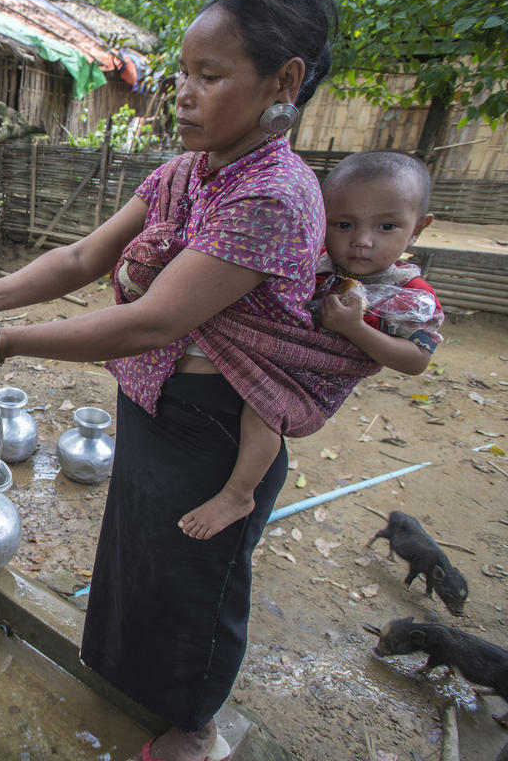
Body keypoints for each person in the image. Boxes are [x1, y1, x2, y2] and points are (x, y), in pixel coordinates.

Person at [0, 0, 379, 761]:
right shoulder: (182, 173)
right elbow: (78, 256)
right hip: (153, 403)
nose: (183, 94)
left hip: (215, 430)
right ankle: (145, 687)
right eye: (183, 75)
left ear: (285, 82)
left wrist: (3, 344)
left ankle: (193, 726)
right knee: (142, 558)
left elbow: (153, 320)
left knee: (198, 581)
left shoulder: (274, 196)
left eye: (210, 76)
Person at [178, 150, 443, 541]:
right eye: (344, 224)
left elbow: (417, 360)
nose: (362, 241)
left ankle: (238, 494)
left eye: (387, 226)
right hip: (269, 358)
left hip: (313, 381)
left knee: (264, 407)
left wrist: (355, 329)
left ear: (419, 228)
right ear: (321, 218)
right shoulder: (312, 261)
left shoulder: (408, 295)